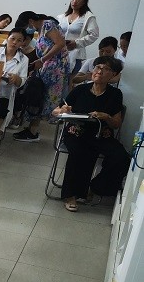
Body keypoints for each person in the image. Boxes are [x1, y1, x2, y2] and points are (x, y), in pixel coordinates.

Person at [53, 56, 128, 212]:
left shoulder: (115, 94)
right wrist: (63, 111)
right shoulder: (80, 90)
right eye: (97, 67)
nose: (99, 71)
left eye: (105, 69)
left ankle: (94, 187)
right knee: (79, 151)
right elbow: (56, 111)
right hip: (76, 132)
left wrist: (106, 116)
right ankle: (71, 194)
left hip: (102, 134)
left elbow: (116, 123)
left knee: (121, 157)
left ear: (113, 75)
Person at [12, 11, 70, 142]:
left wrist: (42, 60)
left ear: (31, 21)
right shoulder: (41, 29)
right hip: (47, 67)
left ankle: (33, 131)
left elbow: (60, 44)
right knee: (39, 97)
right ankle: (32, 129)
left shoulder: (48, 25)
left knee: (45, 99)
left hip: (55, 69)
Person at [0, 28, 29, 148]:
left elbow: (22, 81)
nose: (15, 42)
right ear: (7, 38)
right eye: (12, 38)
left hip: (5, 93)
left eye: (19, 40)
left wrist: (16, 79)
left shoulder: (24, 59)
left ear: (22, 43)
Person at [57, 0, 99, 74]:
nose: (74, 1)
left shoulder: (88, 17)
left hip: (76, 54)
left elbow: (94, 35)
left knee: (70, 81)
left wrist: (76, 43)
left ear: (84, 2)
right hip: (59, 53)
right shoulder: (62, 17)